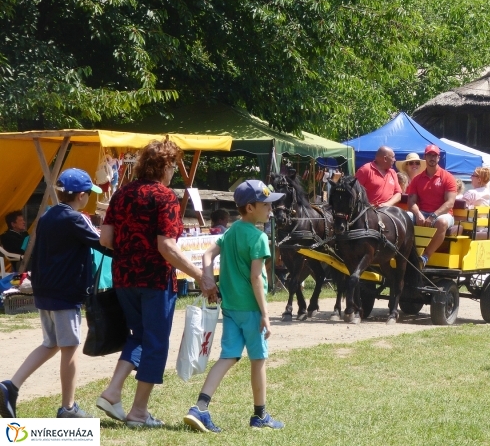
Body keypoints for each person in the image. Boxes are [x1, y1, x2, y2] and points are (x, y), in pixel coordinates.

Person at [96, 139, 217, 428]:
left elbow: (105, 239)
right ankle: (138, 412)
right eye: (173, 165)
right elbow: (167, 247)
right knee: (155, 343)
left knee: (138, 336)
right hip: (155, 280)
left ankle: (113, 392)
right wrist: (201, 276)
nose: (174, 170)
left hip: (124, 277)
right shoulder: (164, 197)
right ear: (164, 165)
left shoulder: (122, 193)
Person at [0, 169, 106, 418]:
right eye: (89, 193)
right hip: (64, 293)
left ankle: (10, 386)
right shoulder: (76, 219)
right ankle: (68, 408)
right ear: (81, 195)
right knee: (69, 346)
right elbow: (102, 244)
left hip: (45, 291)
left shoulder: (48, 216)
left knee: (52, 343)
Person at [183, 180, 285, 433]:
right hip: (251, 309)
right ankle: (260, 415)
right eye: (266, 205)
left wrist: (207, 278)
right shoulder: (259, 238)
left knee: (228, 356)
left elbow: (207, 255)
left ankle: (200, 407)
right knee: (258, 360)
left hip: (230, 308)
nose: (270, 209)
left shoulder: (231, 231)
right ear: (250, 207)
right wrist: (265, 314)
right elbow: (255, 279)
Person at [407, 145, 457, 268]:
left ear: (438, 158)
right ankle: (406, 252)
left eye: (434, 155)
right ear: (425, 157)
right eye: (429, 155)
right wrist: (418, 214)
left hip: (443, 214)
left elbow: (450, 203)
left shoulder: (447, 177)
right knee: (405, 217)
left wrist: (433, 215)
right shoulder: (417, 179)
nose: (432, 158)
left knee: (442, 222)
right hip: (423, 212)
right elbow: (411, 201)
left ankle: (425, 256)